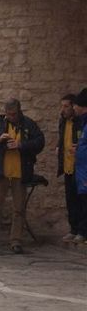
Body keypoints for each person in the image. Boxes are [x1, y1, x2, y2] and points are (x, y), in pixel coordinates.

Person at [0, 98, 45, 254]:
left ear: (19, 111)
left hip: (20, 172)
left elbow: (40, 142)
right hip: (0, 172)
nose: (11, 117)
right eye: (8, 114)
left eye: (13, 114)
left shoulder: (28, 124)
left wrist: (20, 145)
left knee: (19, 208)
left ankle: (16, 241)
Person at [57, 94, 82, 242]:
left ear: (73, 106)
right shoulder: (63, 122)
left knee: (80, 200)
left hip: (78, 166)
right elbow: (62, 139)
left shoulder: (79, 122)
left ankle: (82, 230)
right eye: (62, 106)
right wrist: (58, 147)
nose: (63, 109)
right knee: (70, 200)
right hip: (67, 166)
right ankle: (73, 229)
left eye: (66, 106)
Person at [72, 88, 87, 245]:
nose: (73, 108)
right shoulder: (83, 123)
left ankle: (83, 232)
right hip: (82, 172)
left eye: (75, 105)